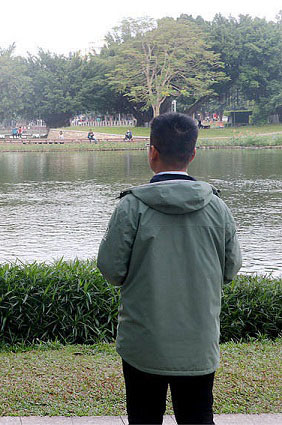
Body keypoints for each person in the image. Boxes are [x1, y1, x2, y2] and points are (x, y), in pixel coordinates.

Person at [97, 112, 242, 425]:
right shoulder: (217, 207)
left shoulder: (131, 207)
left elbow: (111, 270)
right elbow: (231, 269)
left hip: (144, 343)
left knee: (144, 418)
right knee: (198, 417)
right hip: (198, 342)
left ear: (151, 151)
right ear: (192, 154)